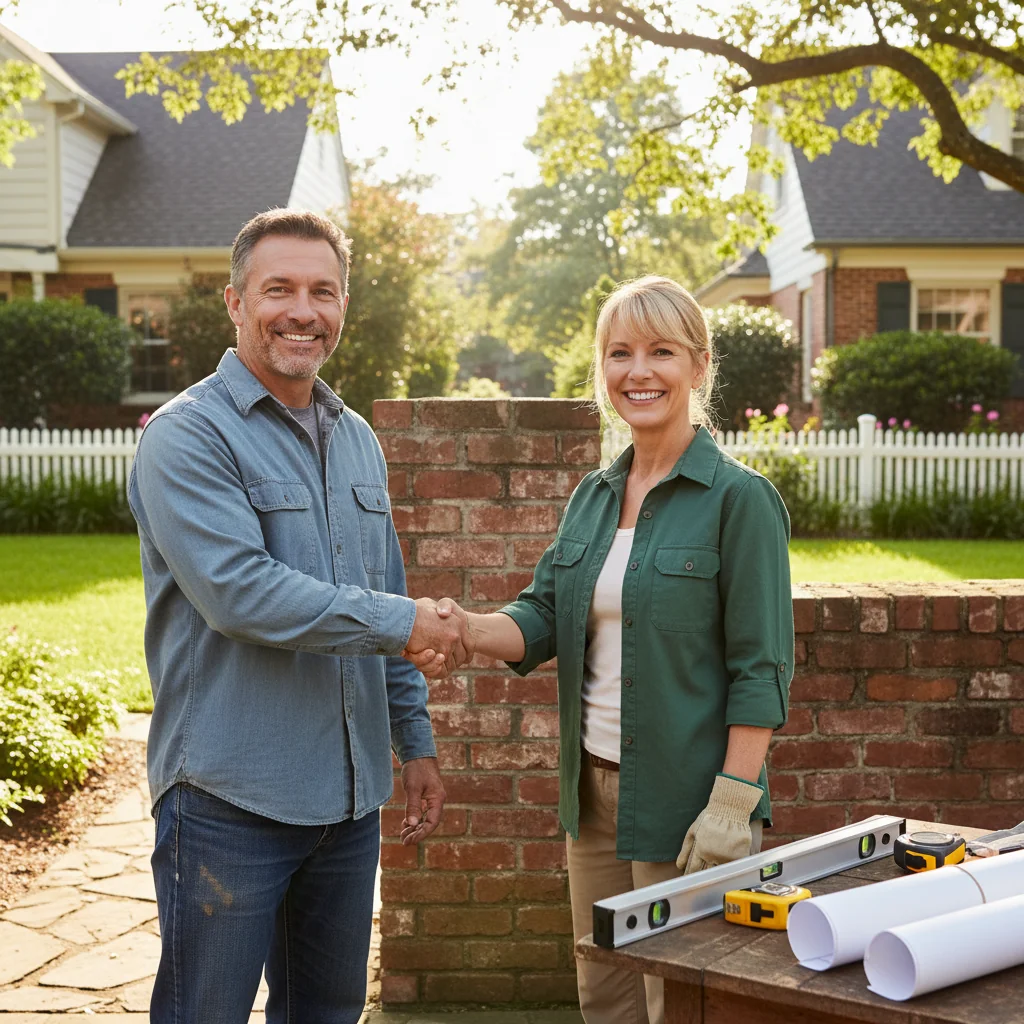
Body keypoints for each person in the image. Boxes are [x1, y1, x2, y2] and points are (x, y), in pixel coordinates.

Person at [406, 276, 794, 1024]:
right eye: (619, 353)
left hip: (690, 804)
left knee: (679, 1003)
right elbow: (543, 614)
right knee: (606, 995)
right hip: (593, 800)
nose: (637, 371)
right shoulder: (594, 494)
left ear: (699, 365)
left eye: (660, 351)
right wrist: (456, 628)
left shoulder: (740, 501)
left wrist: (730, 806)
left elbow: (762, 668)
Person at [128, 208, 470, 1024]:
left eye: (323, 291)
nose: (303, 310)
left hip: (347, 805)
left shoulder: (356, 439)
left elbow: (382, 583)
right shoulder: (186, 437)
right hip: (226, 801)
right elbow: (240, 592)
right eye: (278, 288)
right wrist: (407, 621)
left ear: (343, 306)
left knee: (326, 1013)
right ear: (235, 302)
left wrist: (413, 740)